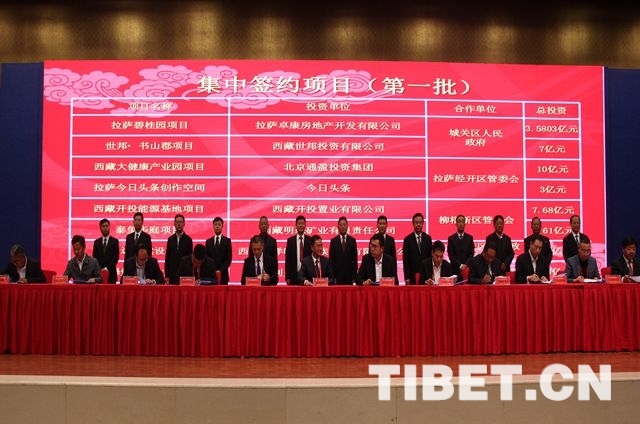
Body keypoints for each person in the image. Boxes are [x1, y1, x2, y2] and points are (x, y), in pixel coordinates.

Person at [402, 212, 432, 284]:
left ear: (423, 223)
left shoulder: (428, 238)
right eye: (416, 222)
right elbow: (406, 260)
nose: (418, 224)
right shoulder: (407, 240)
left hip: (426, 275)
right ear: (413, 223)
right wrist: (407, 277)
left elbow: (430, 257)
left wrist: (430, 275)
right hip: (412, 275)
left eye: (420, 222)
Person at [165, 214, 193, 284]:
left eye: (180, 222)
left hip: (184, 274)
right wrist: (167, 275)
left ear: (184, 224)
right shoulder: (170, 239)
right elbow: (167, 257)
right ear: (174, 224)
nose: (179, 224)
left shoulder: (188, 240)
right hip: (172, 273)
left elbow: (190, 258)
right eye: (177, 222)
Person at [329, 216, 358, 285]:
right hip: (337, 276)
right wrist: (332, 277)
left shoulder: (352, 241)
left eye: (344, 225)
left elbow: (355, 260)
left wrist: (354, 277)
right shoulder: (333, 241)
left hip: (349, 276)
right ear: (338, 227)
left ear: (347, 226)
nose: (343, 227)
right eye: (341, 225)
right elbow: (331, 260)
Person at [205, 216, 232, 285]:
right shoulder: (208, 242)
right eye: (215, 224)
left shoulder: (227, 241)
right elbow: (206, 258)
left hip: (223, 275)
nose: (217, 226)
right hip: (211, 275)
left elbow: (228, 259)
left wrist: (220, 271)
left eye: (219, 224)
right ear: (213, 226)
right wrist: (213, 270)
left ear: (222, 226)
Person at [285, 215, 312, 285]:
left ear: (305, 225)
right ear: (296, 225)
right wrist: (287, 277)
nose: (301, 225)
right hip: (293, 276)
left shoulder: (310, 240)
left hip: (307, 276)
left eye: (302, 223)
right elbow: (288, 260)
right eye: (299, 223)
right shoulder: (290, 241)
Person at [446, 214, 475, 279]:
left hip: (467, 269)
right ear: (456, 224)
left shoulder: (469, 238)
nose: (461, 224)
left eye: (462, 222)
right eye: (459, 222)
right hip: (455, 269)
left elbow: (471, 253)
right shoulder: (451, 238)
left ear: (465, 224)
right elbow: (451, 255)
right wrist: (460, 265)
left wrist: (466, 265)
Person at [92, 218, 119, 283]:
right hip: (99, 274)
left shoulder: (115, 241)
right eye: (103, 226)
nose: (105, 228)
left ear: (109, 227)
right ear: (100, 228)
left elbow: (116, 257)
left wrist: (107, 268)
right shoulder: (96, 242)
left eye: (106, 226)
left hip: (111, 274)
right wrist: (100, 269)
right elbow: (94, 258)